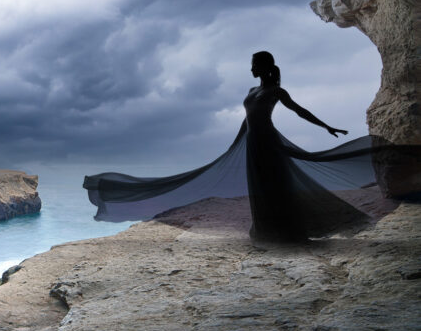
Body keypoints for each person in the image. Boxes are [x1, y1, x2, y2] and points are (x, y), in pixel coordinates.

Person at [83, 51, 414, 244]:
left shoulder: (276, 91)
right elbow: (247, 120)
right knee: (261, 186)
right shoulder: (254, 91)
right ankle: (268, 229)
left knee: (274, 184)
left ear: (264, 66)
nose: (251, 68)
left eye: (255, 63)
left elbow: (298, 111)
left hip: (267, 141)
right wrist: (236, 142)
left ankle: (286, 231)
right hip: (253, 142)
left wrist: (326, 126)